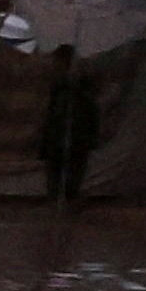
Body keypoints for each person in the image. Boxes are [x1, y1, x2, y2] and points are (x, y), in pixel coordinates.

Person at [35, 43, 102, 207]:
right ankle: (58, 201)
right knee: (57, 175)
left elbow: (89, 111)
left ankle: (68, 201)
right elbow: (52, 113)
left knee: (71, 174)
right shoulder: (59, 87)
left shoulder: (80, 86)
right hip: (58, 137)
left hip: (75, 136)